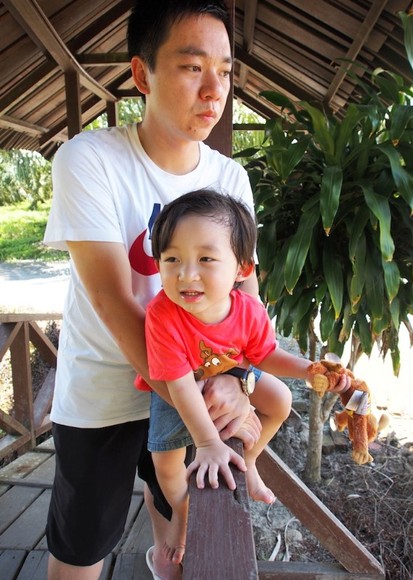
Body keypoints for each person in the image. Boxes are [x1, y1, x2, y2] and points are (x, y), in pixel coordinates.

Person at [42, 2, 265, 579]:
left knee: (187, 532)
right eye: (193, 67)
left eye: (224, 70)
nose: (214, 90)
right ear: (142, 74)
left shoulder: (229, 177)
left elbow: (246, 297)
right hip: (105, 398)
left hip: (201, 392)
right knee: (81, 551)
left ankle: (163, 557)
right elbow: (114, 302)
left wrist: (239, 380)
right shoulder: (89, 159)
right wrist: (198, 400)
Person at [137, 189, 340, 566]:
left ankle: (249, 462)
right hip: (176, 387)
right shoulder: (162, 314)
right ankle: (182, 514)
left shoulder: (248, 309)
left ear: (242, 269)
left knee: (280, 399)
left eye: (206, 259)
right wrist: (208, 442)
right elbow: (179, 386)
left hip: (228, 372)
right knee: (165, 461)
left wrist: (308, 370)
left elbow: (265, 354)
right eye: (172, 259)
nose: (186, 274)